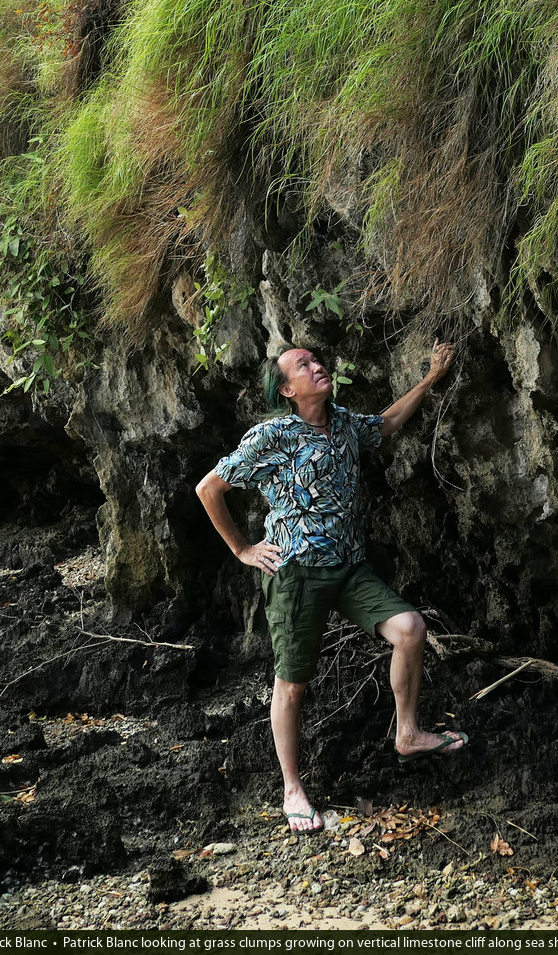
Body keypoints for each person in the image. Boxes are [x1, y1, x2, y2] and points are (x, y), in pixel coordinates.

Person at [196, 341, 466, 832]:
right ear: (286, 390)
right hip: (297, 573)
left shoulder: (342, 422)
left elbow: (385, 423)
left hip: (348, 568)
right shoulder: (272, 435)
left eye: (316, 360)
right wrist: (243, 550)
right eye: (303, 366)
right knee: (292, 682)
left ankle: (408, 735)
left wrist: (430, 379)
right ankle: (292, 790)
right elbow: (209, 488)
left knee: (410, 629)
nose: (317, 366)